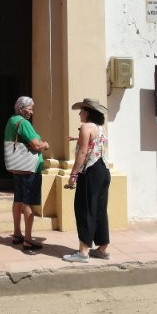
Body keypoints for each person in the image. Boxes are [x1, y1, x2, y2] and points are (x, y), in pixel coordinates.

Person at [62, 98, 111, 263]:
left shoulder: (85, 127)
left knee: (85, 209)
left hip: (90, 173)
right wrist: (76, 139)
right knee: (100, 210)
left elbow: (82, 153)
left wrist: (73, 175)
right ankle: (102, 249)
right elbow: (93, 143)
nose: (79, 114)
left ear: (88, 112)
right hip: (103, 172)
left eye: (81, 111)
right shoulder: (100, 128)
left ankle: (83, 252)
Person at [4, 96, 50, 251]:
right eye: (30, 109)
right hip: (30, 168)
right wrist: (45, 144)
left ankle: (17, 233)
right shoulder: (24, 123)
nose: (32, 112)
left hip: (18, 166)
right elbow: (36, 145)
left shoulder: (11, 121)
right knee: (28, 202)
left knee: (18, 199)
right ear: (21, 108)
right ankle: (28, 239)